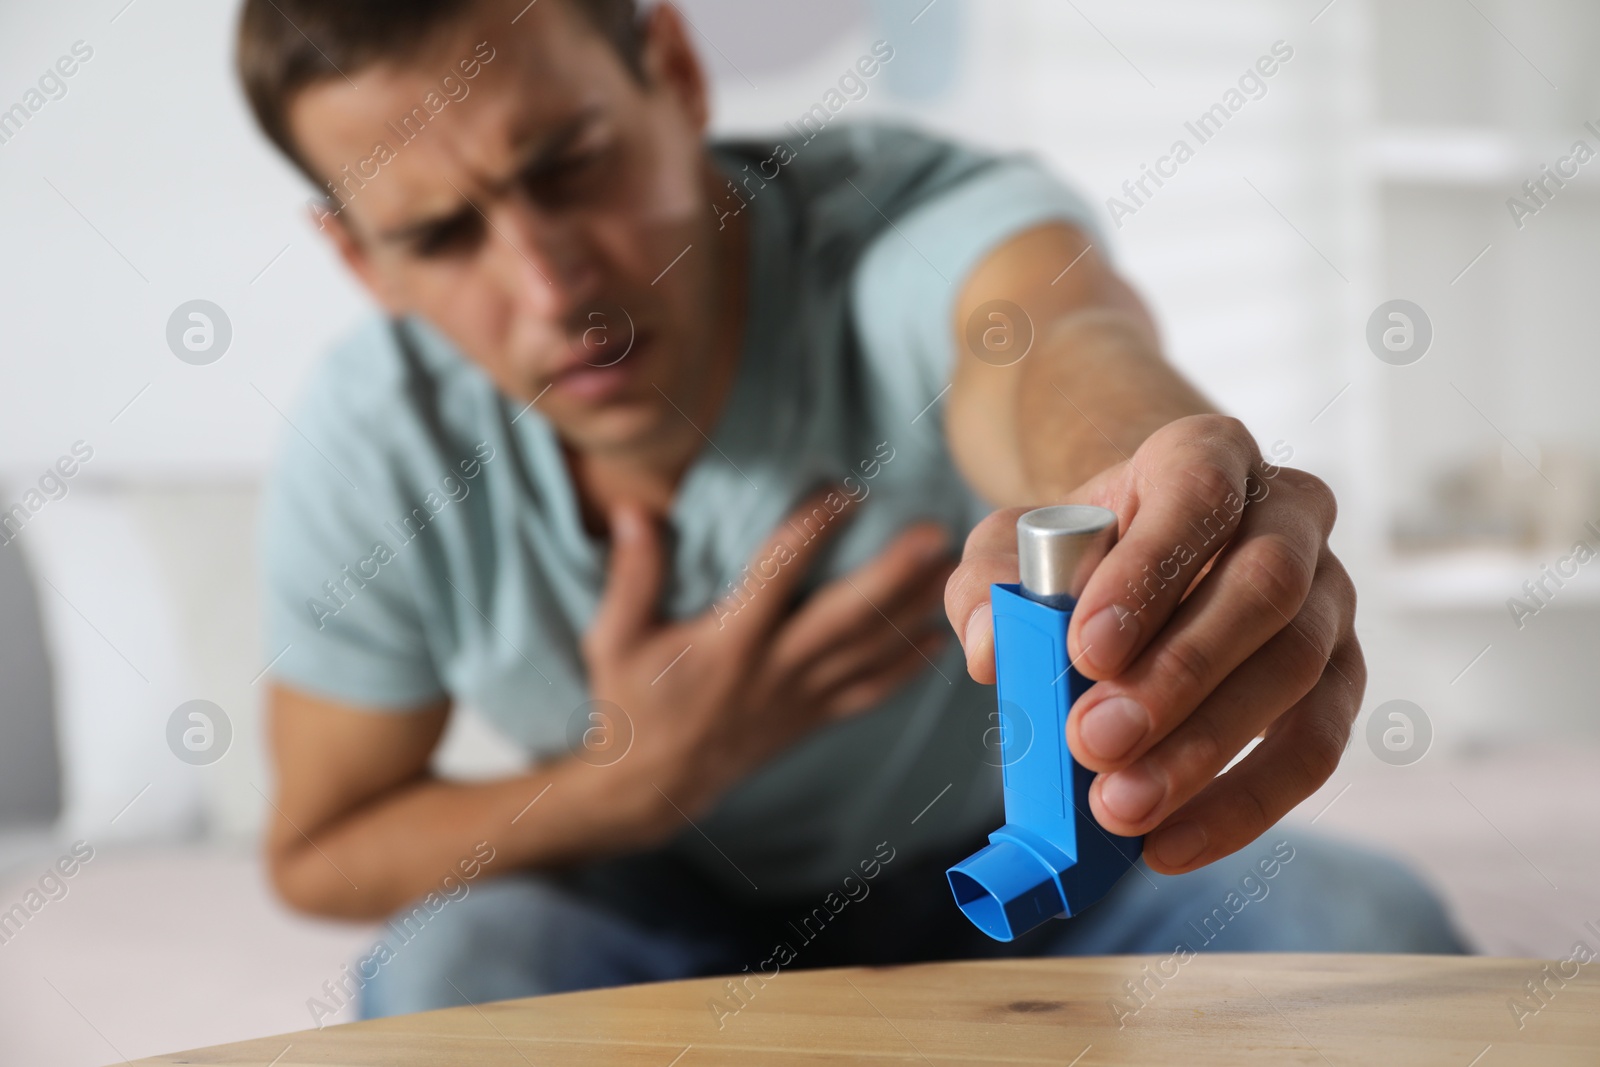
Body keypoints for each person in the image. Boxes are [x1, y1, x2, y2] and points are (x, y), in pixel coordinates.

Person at [236, 0, 1466, 1021]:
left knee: (1363, 928)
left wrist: (1143, 478)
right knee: (455, 967)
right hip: (631, 906)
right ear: (361, 260)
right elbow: (321, 846)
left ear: (671, 69)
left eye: (570, 163)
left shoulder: (898, 227)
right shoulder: (377, 443)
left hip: (1046, 877)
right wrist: (631, 777)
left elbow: (1051, 342)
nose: (550, 286)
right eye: (443, 234)